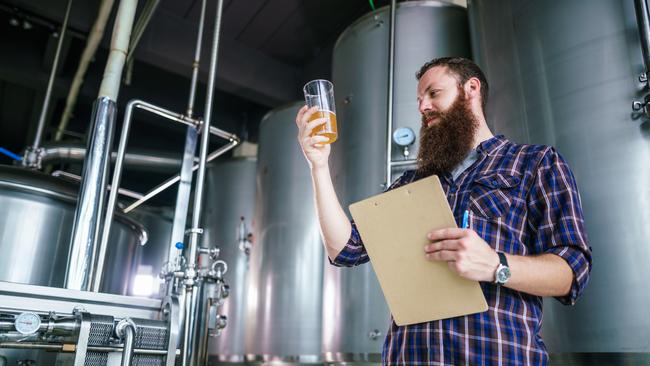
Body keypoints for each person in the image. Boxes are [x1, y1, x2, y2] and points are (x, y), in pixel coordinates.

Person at [295, 57, 592, 365]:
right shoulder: (411, 182)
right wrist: (318, 165)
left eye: (434, 93)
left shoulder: (535, 163)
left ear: (470, 89)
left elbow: (572, 274)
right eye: (420, 99)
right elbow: (345, 249)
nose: (423, 107)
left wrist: (496, 264)